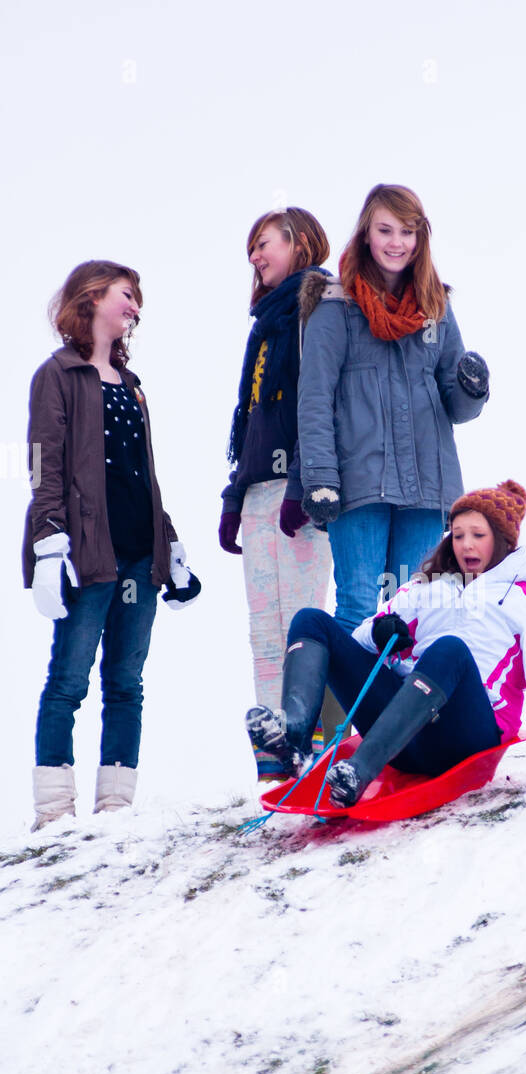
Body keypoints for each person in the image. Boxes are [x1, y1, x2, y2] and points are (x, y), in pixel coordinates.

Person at [245, 480, 526, 809]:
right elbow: (360, 641)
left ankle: (357, 772)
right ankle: (295, 740)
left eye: (478, 535)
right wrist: (380, 633)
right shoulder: (429, 587)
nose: (466, 544)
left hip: (465, 738)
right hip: (402, 737)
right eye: (458, 535)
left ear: (501, 540)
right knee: (311, 621)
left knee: (449, 650)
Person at [23, 261, 199, 830]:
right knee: (69, 681)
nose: (135, 307)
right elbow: (44, 466)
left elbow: (143, 473)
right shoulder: (58, 375)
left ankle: (115, 811)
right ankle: (54, 814)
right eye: (128, 295)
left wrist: (169, 545)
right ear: (93, 297)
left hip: (138, 555)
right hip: (87, 555)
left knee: (126, 683)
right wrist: (48, 543)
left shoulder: (133, 385)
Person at [296, 183, 489, 632]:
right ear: (366, 233)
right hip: (358, 484)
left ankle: (402, 705)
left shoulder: (434, 306)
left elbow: (455, 406)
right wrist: (321, 478)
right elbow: (315, 399)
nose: (396, 243)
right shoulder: (335, 305)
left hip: (425, 487)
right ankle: (353, 705)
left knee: (413, 613)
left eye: (407, 232)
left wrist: (471, 389)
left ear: (420, 238)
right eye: (386, 230)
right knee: (359, 608)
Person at [220, 207, 338, 778]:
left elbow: (317, 405)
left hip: (300, 491)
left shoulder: (316, 307)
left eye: (263, 243)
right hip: (258, 492)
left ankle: (320, 747)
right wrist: (232, 498)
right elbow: (249, 419)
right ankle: (276, 761)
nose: (255, 257)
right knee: (263, 627)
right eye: (251, 249)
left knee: (304, 623)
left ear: (298, 241)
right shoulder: (263, 323)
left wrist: (303, 483)